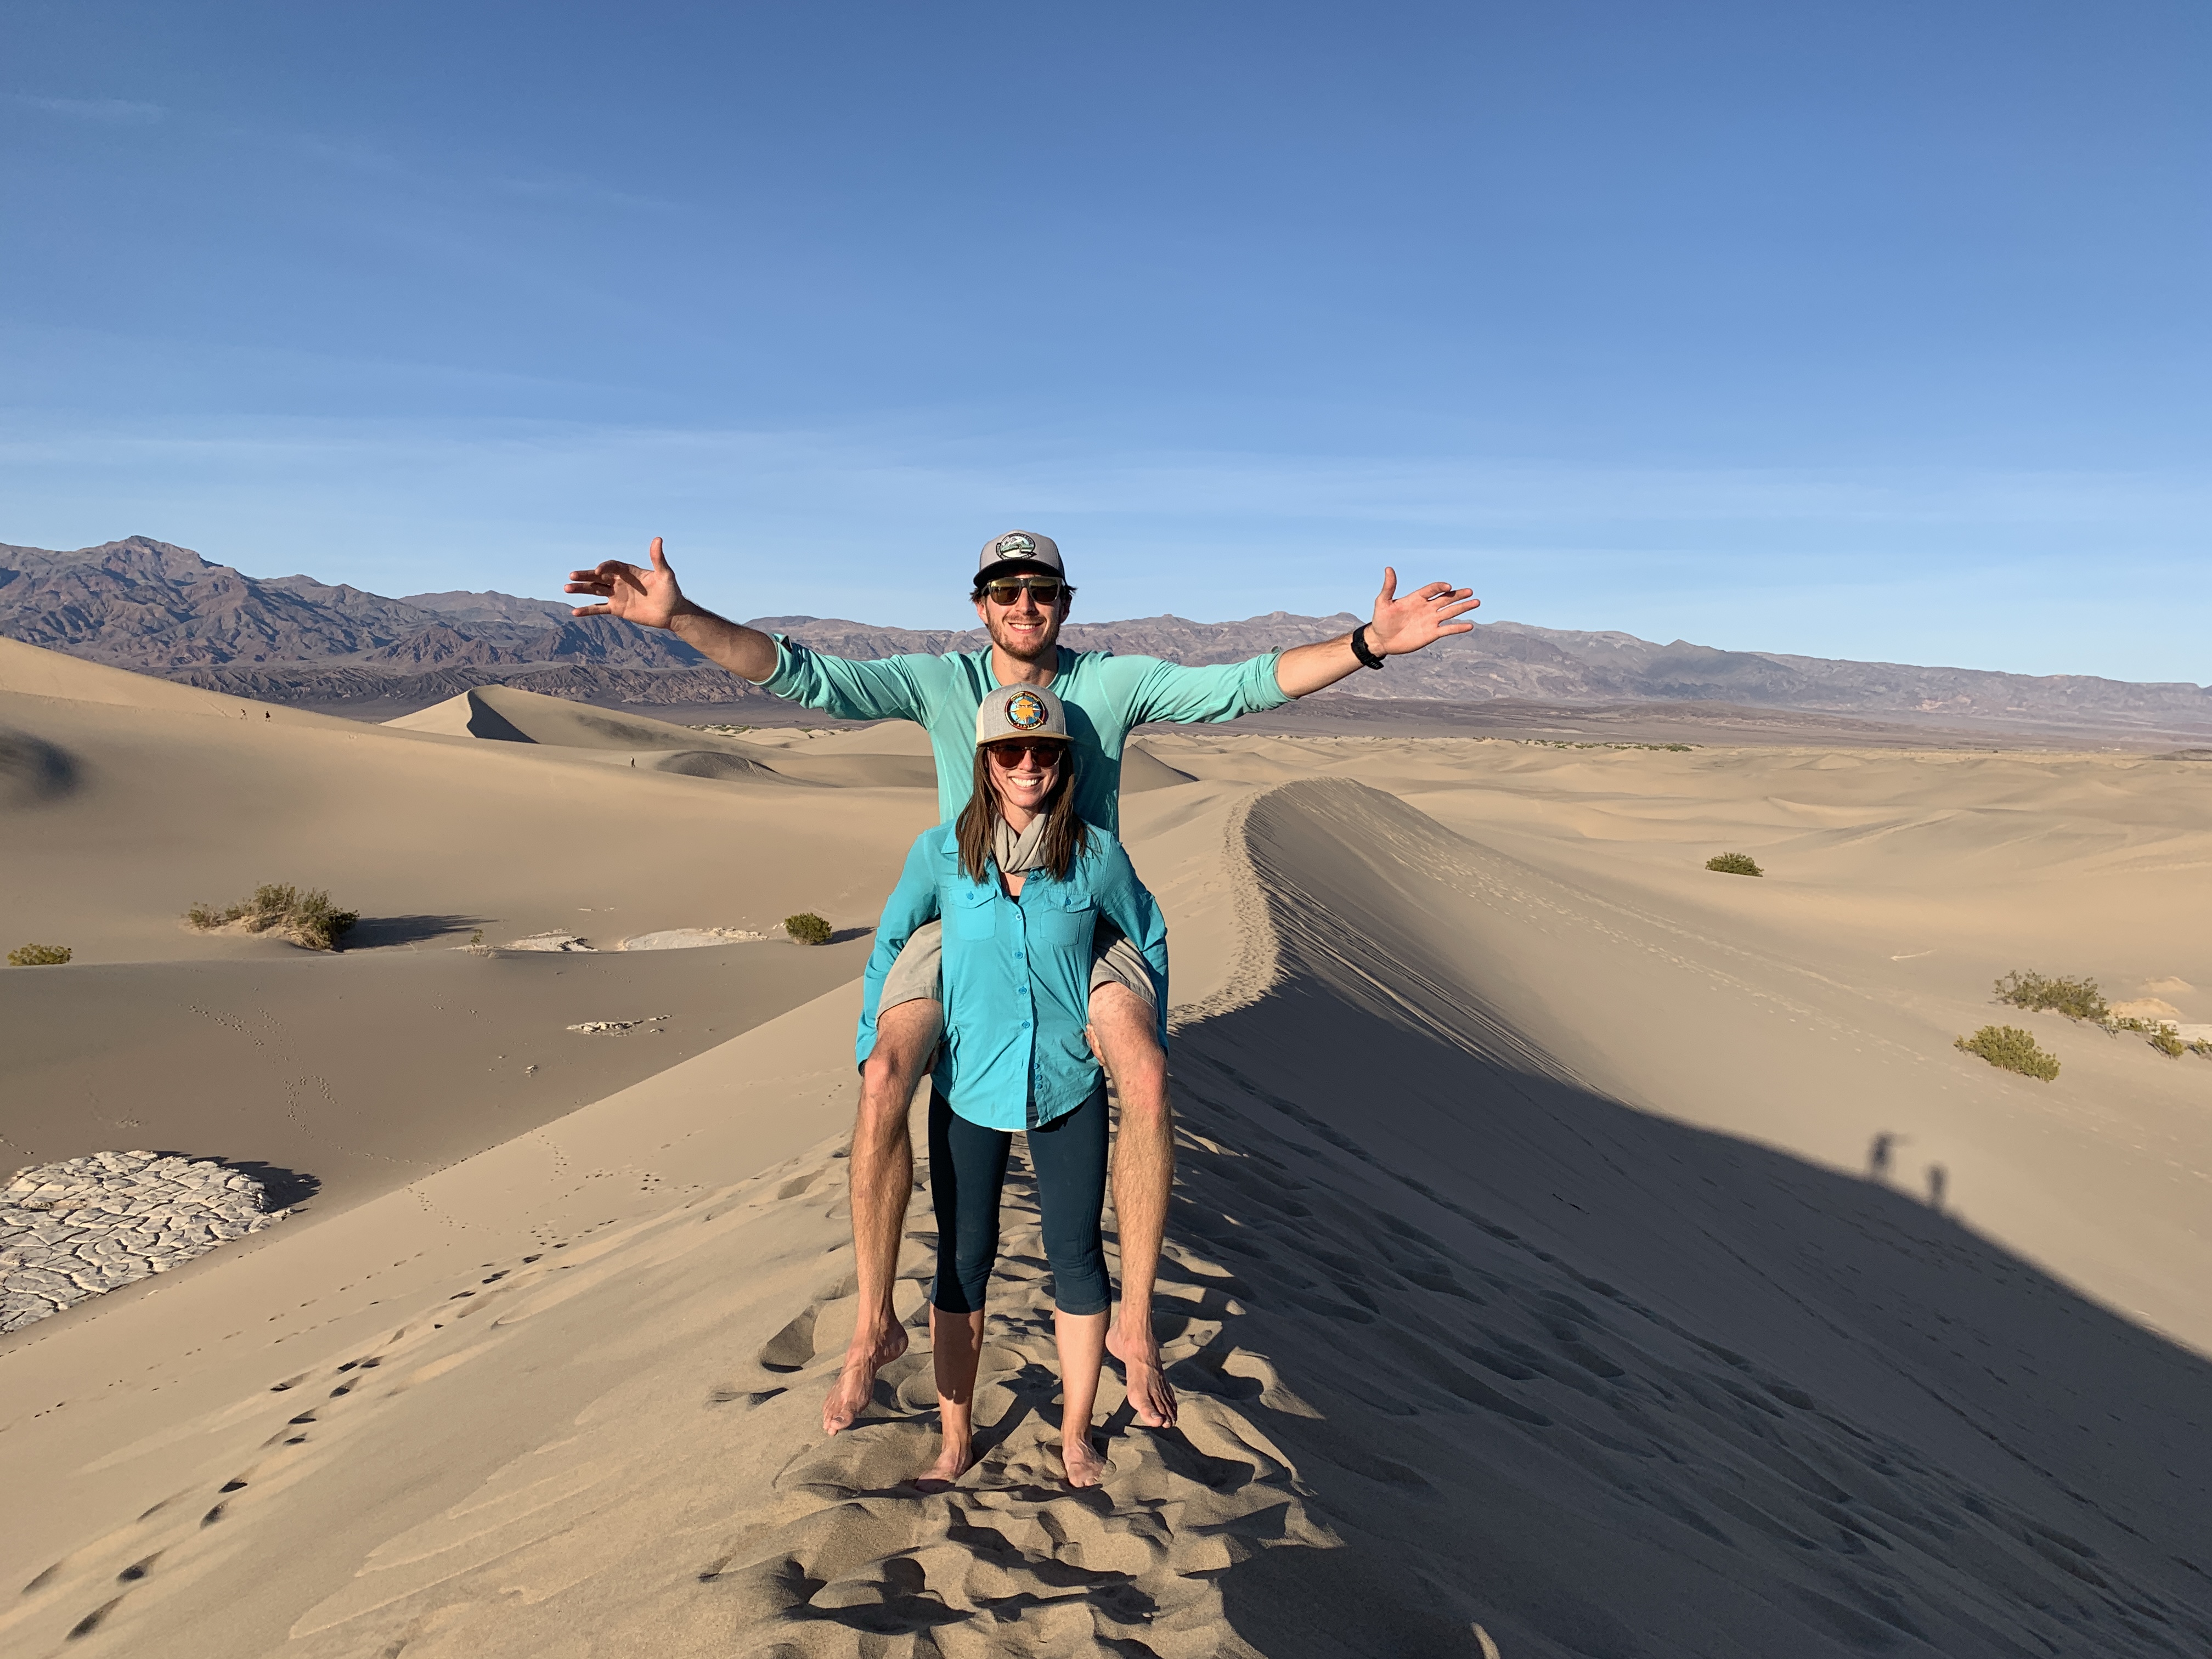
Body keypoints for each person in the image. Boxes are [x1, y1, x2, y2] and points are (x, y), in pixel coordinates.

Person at [563, 530, 1480, 1440]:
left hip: (1086, 915)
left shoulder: (1110, 684)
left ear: (1064, 602)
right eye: (1005, 592)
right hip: (961, 908)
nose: (1023, 606)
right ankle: (871, 1326)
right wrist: (679, 616)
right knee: (884, 1078)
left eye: (1040, 590)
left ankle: (1135, 1322)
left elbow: (1235, 687)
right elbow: (806, 677)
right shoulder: (941, 683)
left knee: (1150, 1077)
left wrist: (1368, 647)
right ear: (981, 606)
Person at [860, 682, 1168, 1488]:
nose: (1028, 765)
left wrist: (1130, 1022)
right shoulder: (940, 854)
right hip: (969, 1079)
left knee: (1075, 1255)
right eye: (1010, 752)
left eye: (1045, 753)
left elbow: (1147, 934)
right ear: (987, 764)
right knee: (963, 1263)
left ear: (1063, 763)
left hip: (1066, 1080)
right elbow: (893, 942)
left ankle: (1075, 1434)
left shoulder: (1096, 856)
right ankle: (954, 1437)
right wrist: (878, 1047)